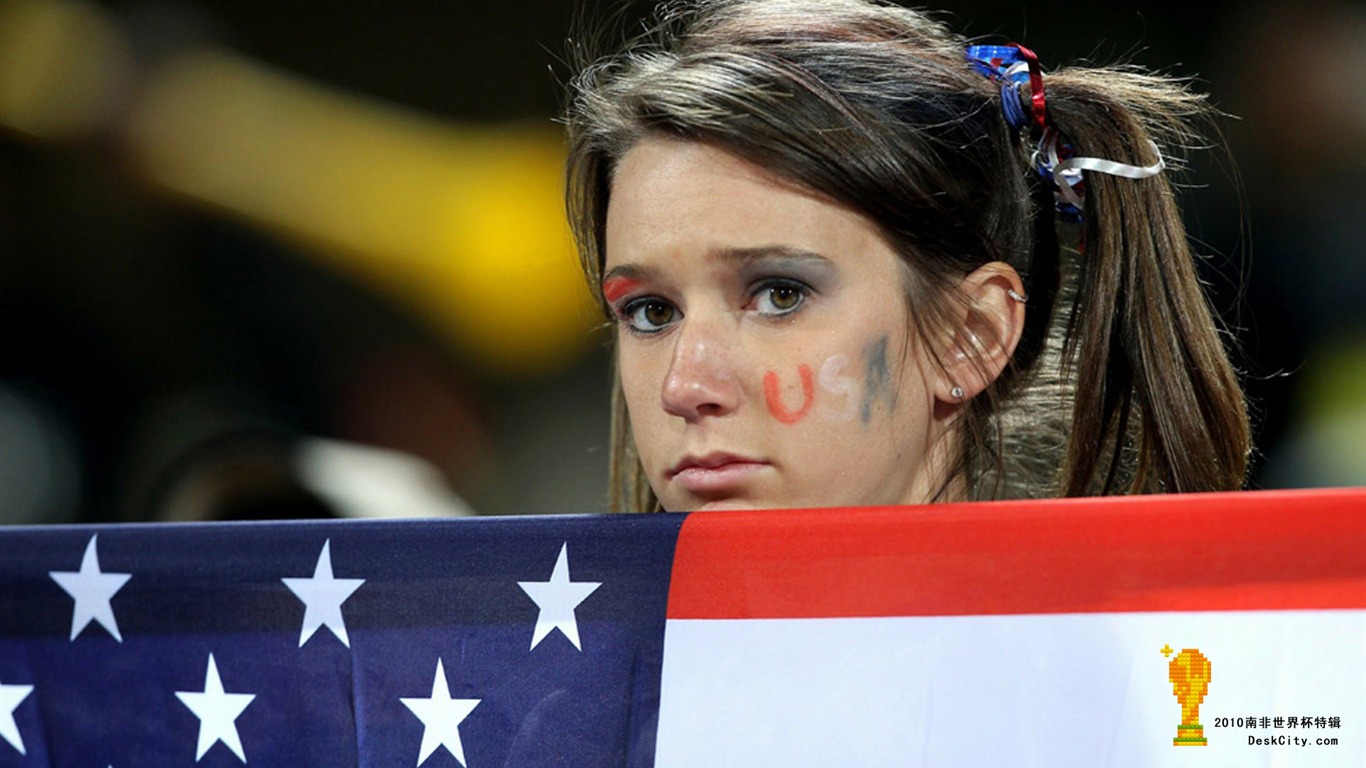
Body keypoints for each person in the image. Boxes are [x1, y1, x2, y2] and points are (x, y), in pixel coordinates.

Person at [563, 0, 1250, 513]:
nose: (683, 388)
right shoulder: (557, 697)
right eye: (651, 311)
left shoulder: (1126, 695)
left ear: (970, 336)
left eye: (779, 293)